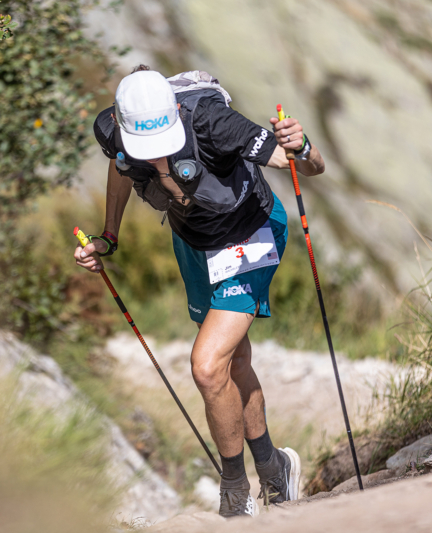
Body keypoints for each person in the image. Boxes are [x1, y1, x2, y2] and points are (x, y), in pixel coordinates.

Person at [74, 66, 326, 517]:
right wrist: (108, 236)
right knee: (234, 362)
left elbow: (308, 167)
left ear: (175, 115)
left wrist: (303, 146)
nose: (154, 160)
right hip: (193, 243)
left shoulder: (213, 122)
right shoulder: (110, 127)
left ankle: (235, 494)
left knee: (207, 367)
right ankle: (275, 470)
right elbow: (120, 166)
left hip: (251, 235)